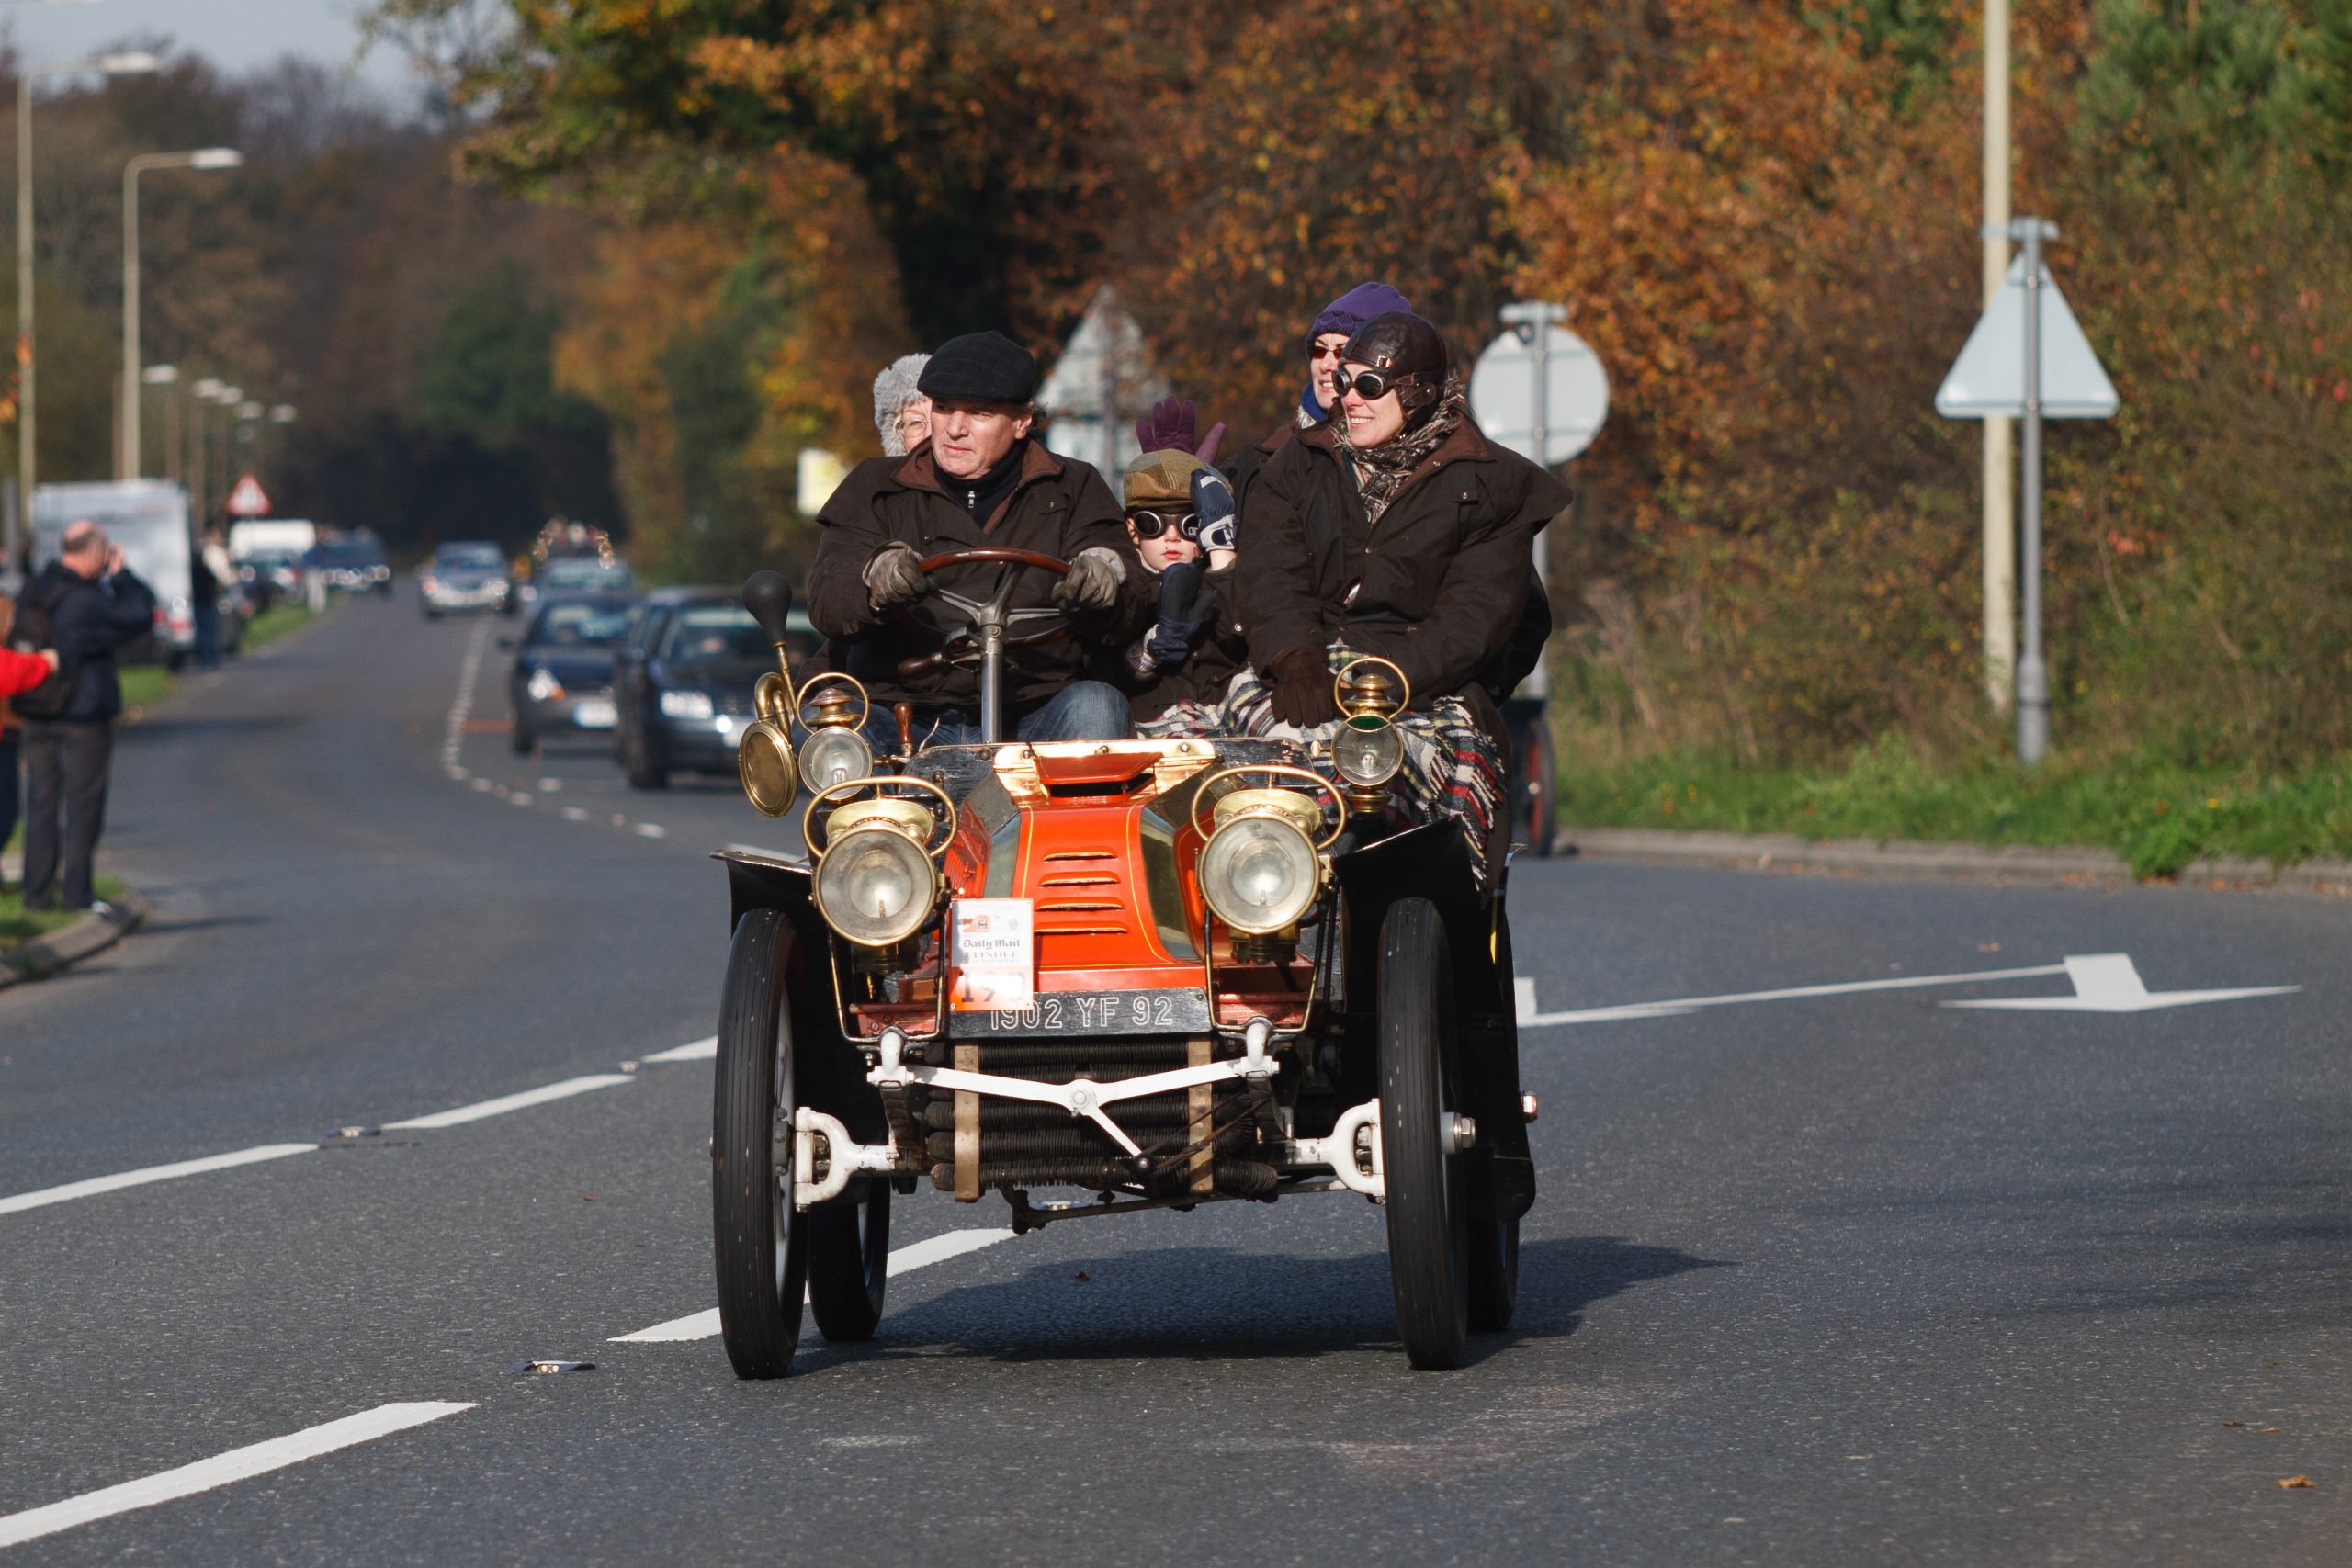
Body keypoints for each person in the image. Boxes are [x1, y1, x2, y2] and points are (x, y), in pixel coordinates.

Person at [1154, 311, 1572, 884]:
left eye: (1369, 385)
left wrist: (1368, 683)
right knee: (1185, 764)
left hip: (1421, 693)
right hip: (1295, 676)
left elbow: (1474, 621)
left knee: (1393, 783)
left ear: (1419, 392)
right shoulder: (1297, 464)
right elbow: (1272, 577)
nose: (1350, 398)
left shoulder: (1494, 486)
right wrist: (1296, 660)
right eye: (1344, 381)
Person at [807, 332, 1147, 749]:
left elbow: (1134, 602)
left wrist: (1107, 578)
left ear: (1022, 422)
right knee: (828, 735)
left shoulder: (1074, 486)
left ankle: (1066, 816)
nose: (954, 429)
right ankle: (876, 818)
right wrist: (874, 586)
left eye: (979, 414)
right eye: (944, 408)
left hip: (1033, 707)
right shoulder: (876, 486)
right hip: (902, 708)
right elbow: (827, 603)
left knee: (1098, 707)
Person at [17, 521, 156, 912]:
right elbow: (139, 614)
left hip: (36, 711)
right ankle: (77, 895)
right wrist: (123, 575)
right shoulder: (86, 601)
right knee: (83, 808)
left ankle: (37, 896)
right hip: (82, 715)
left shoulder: (34, 589)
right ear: (95, 553)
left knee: (41, 806)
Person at [1221, 280, 1413, 514]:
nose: (1325, 364)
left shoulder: (1437, 461)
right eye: (1319, 350)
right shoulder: (1263, 457)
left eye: (1343, 351)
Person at [1102, 448, 1247, 721]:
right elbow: (1103, 671)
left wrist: (1221, 554)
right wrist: (1150, 652)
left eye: (1189, 525)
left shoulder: (1224, 575)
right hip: (1152, 723)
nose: (1171, 536)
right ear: (1132, 530)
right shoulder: (1120, 585)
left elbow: (1246, 638)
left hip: (1228, 716)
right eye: (1152, 523)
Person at [873, 353, 933, 457]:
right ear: (898, 436)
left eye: (937, 419)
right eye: (916, 422)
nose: (929, 435)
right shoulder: (869, 472)